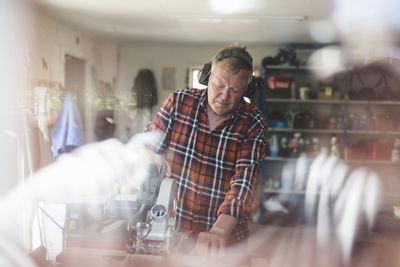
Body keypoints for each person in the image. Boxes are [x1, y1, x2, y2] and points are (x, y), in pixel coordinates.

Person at [145, 44, 268, 256]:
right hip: (174, 233)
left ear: (247, 90)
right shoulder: (179, 102)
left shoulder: (253, 122)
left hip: (224, 240)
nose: (224, 96)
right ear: (207, 77)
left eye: (235, 90)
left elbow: (244, 183)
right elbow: (149, 147)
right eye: (219, 85)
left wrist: (219, 231)